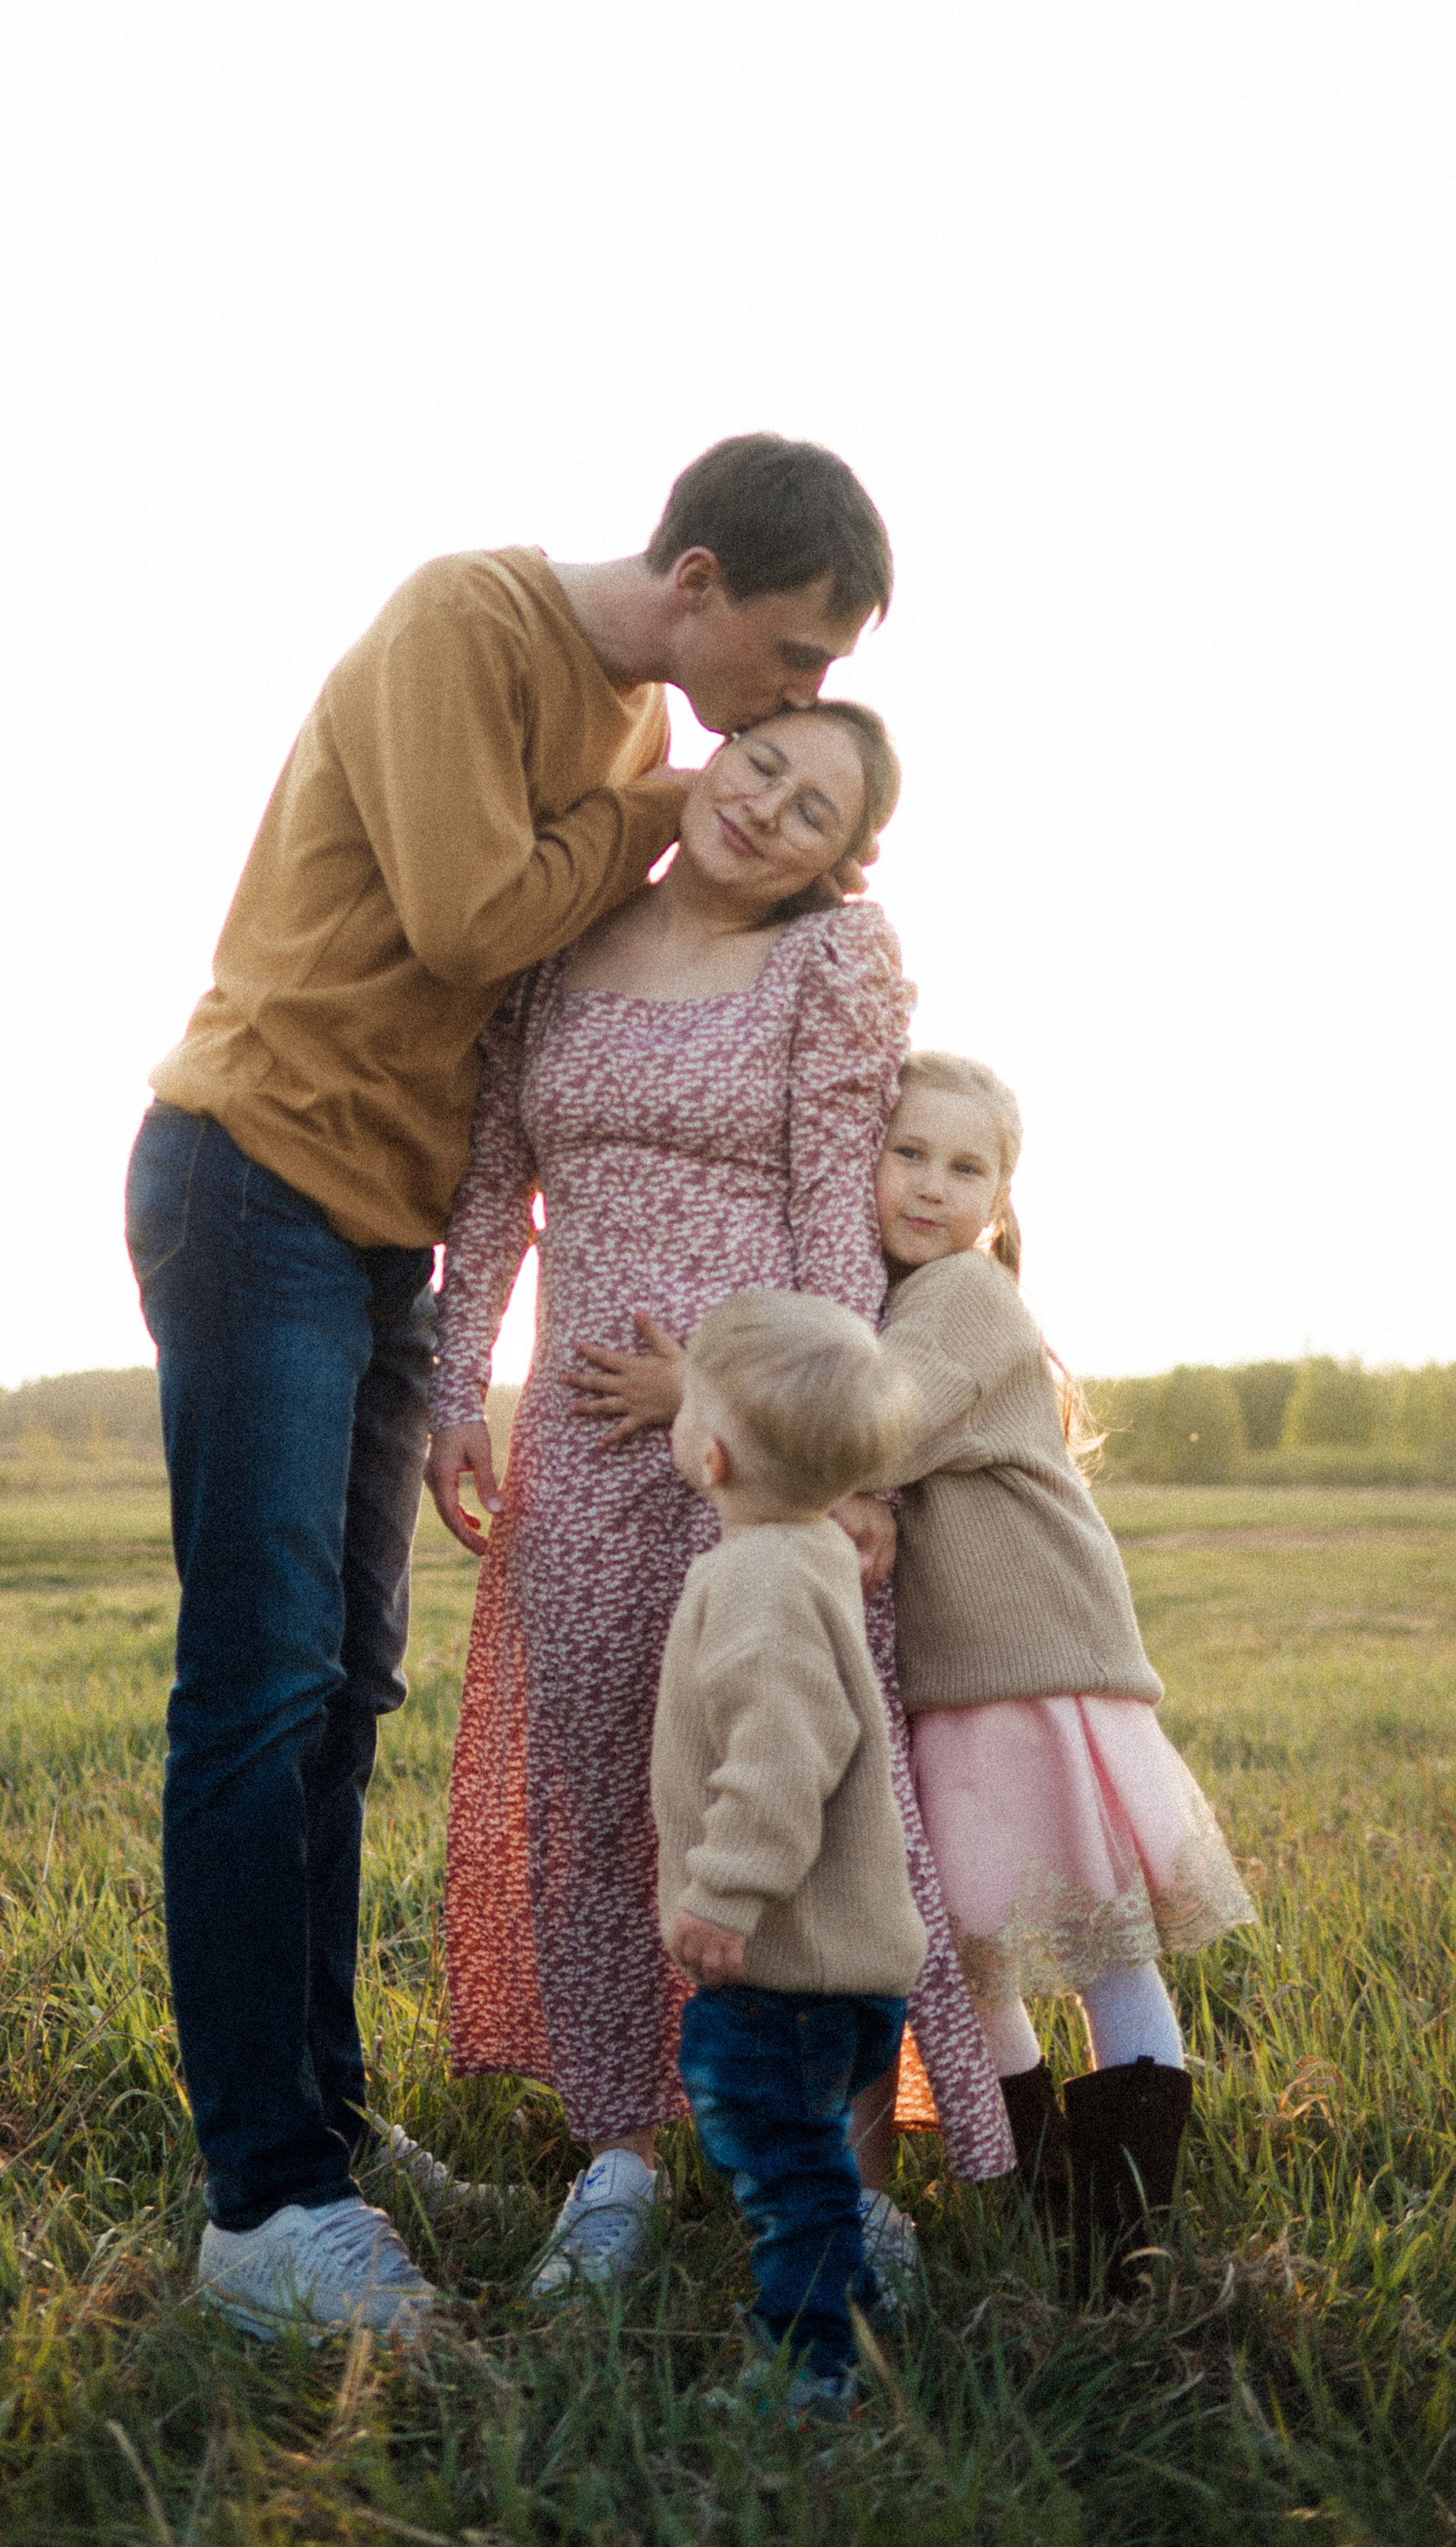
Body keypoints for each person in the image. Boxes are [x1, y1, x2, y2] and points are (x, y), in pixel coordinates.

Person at [124, 432, 894, 2342]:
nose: (788, 702)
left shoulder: (628, 710)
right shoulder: (466, 623)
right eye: (796, 654)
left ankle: (325, 2119)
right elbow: (479, 922)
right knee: (257, 1686)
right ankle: (261, 2203)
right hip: (257, 1174)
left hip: (378, 1230)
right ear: (700, 579)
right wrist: (657, 812)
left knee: (340, 1695)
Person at [427, 709, 1014, 2322]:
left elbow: (834, 1211)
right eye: (764, 765)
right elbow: (495, 1183)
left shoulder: (831, 964)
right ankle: (615, 2158)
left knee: (822, 1777)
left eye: (816, 810)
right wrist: (458, 1378)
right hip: (586, 1437)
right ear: (712, 755)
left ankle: (860, 2178)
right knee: (595, 1780)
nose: (770, 810)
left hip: (775, 1429)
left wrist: (849, 1459)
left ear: (844, 859)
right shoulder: (562, 929)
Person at [869, 1051, 1256, 2288]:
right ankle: (1045, 2205)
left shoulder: (962, 1296)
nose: (931, 1185)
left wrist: (705, 1386)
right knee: (972, 1952)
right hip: (962, 1683)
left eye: (964, 1167)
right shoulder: (899, 1296)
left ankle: (1123, 2230)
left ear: (1000, 1202)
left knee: (1099, 1948)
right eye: (908, 1153)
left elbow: (875, 1425)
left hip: (1034, 1671)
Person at [650, 1290, 928, 2418]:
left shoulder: (757, 1579)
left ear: (710, 1453)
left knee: (781, 2158)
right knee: (810, 2155)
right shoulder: (813, 1547)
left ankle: (815, 2369)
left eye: (688, 1406)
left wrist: (726, 1891)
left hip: (786, 1968)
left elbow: (782, 1755)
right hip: (844, 1965)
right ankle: (855, 2299)